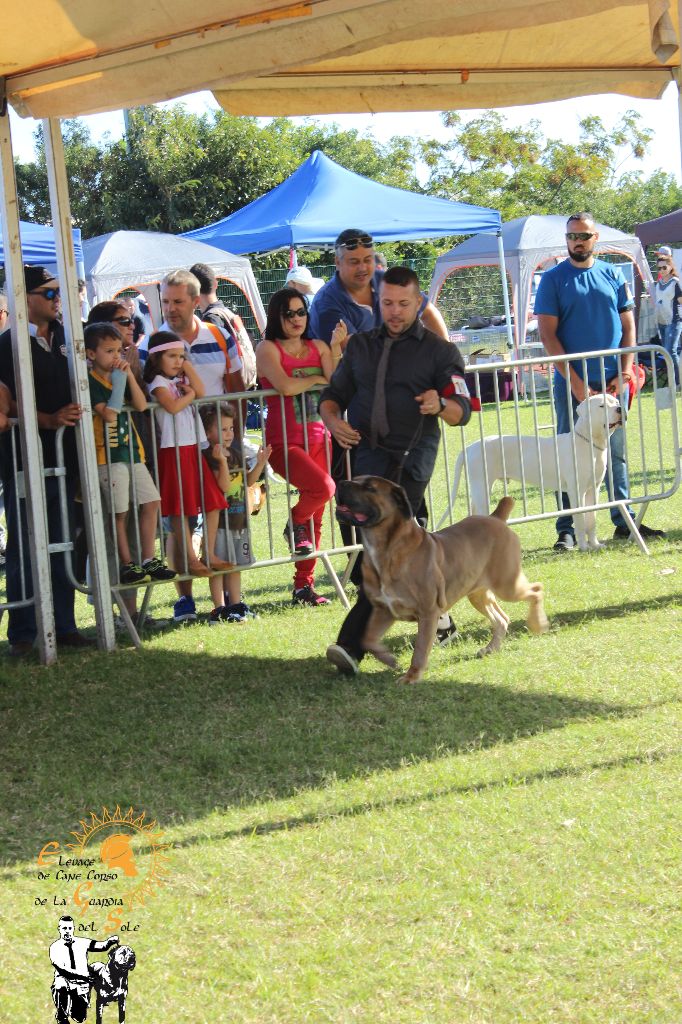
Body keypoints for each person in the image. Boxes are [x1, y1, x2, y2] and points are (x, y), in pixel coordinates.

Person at [319, 266, 472, 675]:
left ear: (419, 302)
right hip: (368, 458)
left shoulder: (440, 352)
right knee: (388, 548)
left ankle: (351, 645)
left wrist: (440, 405)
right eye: (387, 303)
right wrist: (333, 421)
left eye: (403, 303)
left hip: (412, 458)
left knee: (382, 546)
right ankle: (436, 611)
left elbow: (464, 410)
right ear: (377, 302)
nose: (395, 311)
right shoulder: (360, 347)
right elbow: (333, 395)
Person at [535, 211, 666, 549]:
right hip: (571, 383)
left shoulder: (612, 274)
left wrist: (625, 371)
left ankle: (624, 521)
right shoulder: (552, 279)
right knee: (567, 457)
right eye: (571, 236)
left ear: (595, 238)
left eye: (583, 236)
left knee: (616, 454)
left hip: (611, 383)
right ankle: (566, 529)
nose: (577, 242)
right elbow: (548, 335)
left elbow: (628, 326)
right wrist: (574, 381)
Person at [139, 270, 245, 623]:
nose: (170, 308)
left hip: (210, 442)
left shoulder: (218, 334)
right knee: (179, 512)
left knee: (218, 503)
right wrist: (187, 395)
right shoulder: (151, 344)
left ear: (195, 301)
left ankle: (225, 590)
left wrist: (232, 437)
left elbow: (236, 385)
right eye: (165, 301)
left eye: (178, 301)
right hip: (174, 445)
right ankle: (185, 597)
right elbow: (160, 399)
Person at [0, 266, 94, 657]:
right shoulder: (7, 344)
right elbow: (8, 402)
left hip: (67, 455)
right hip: (23, 457)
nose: (58, 300)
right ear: (26, 298)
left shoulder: (70, 337)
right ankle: (23, 632)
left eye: (61, 292)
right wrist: (49, 420)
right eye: (51, 293)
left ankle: (65, 624)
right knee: (24, 543)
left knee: (65, 539)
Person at [257, 288, 338, 606]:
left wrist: (335, 350)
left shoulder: (319, 347)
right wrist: (316, 379)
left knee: (316, 516)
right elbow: (286, 386)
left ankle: (303, 586)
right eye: (288, 313)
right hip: (284, 442)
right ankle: (294, 520)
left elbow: (335, 382)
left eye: (301, 312)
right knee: (324, 489)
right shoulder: (268, 348)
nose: (296, 319)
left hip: (320, 437)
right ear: (277, 317)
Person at [84, 321, 175, 586]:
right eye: (109, 351)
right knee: (120, 513)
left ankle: (148, 559)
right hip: (108, 456)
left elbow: (140, 405)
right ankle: (127, 564)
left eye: (119, 351)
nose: (116, 357)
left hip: (133, 453)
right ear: (91, 354)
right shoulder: (90, 382)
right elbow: (110, 414)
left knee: (152, 501)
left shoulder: (119, 376)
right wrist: (118, 383)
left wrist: (129, 377)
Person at [142, 330, 231, 582]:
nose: (178, 361)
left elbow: (201, 391)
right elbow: (172, 406)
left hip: (192, 447)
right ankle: (191, 558)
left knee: (213, 500)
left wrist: (188, 368)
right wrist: (190, 394)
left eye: (181, 356)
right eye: (172, 356)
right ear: (156, 358)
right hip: (173, 450)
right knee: (181, 507)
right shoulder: (157, 383)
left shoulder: (181, 379)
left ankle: (209, 553)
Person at [309, 229, 450, 345]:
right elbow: (358, 351)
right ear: (338, 262)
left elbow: (428, 312)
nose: (362, 268)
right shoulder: (326, 303)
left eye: (367, 260)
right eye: (354, 262)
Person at [201, 401, 271, 623]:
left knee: (235, 566)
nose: (229, 433)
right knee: (219, 566)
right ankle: (219, 608)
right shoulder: (210, 455)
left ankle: (236, 605)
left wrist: (260, 464)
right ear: (208, 432)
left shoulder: (236, 453)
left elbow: (248, 481)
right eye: (223, 429)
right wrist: (222, 462)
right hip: (220, 523)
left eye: (231, 428)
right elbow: (223, 486)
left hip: (239, 519)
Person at [189, 261, 257, 389]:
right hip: (244, 380)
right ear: (215, 284)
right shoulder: (227, 312)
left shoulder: (211, 319)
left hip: (227, 387)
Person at [49, 915, 119, 1024]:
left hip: (81, 985)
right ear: (59, 929)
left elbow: (100, 946)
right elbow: (62, 970)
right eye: (64, 928)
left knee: (79, 1018)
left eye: (69, 928)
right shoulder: (55, 947)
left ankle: (74, 1004)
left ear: (73, 928)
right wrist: (84, 977)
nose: (67, 931)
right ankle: (62, 1018)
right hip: (65, 980)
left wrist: (109, 942)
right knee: (60, 985)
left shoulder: (82, 942)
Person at [653, 246, 682, 386]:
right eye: (659, 268)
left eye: (664, 267)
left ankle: (677, 382)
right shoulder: (659, 283)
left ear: (670, 267)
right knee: (666, 352)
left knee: (671, 351)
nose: (662, 270)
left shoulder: (675, 282)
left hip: (674, 321)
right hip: (661, 321)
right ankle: (673, 381)